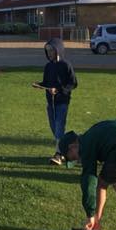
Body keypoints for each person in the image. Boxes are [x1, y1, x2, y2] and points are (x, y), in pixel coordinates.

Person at [37, 37, 78, 165]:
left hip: (62, 102)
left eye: (51, 50)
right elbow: (46, 82)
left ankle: (58, 155)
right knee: (55, 129)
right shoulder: (48, 66)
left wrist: (60, 90)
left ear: (58, 50)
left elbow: (73, 83)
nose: (49, 53)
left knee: (60, 127)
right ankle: (71, 146)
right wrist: (39, 85)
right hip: (51, 103)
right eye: (47, 51)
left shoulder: (66, 65)